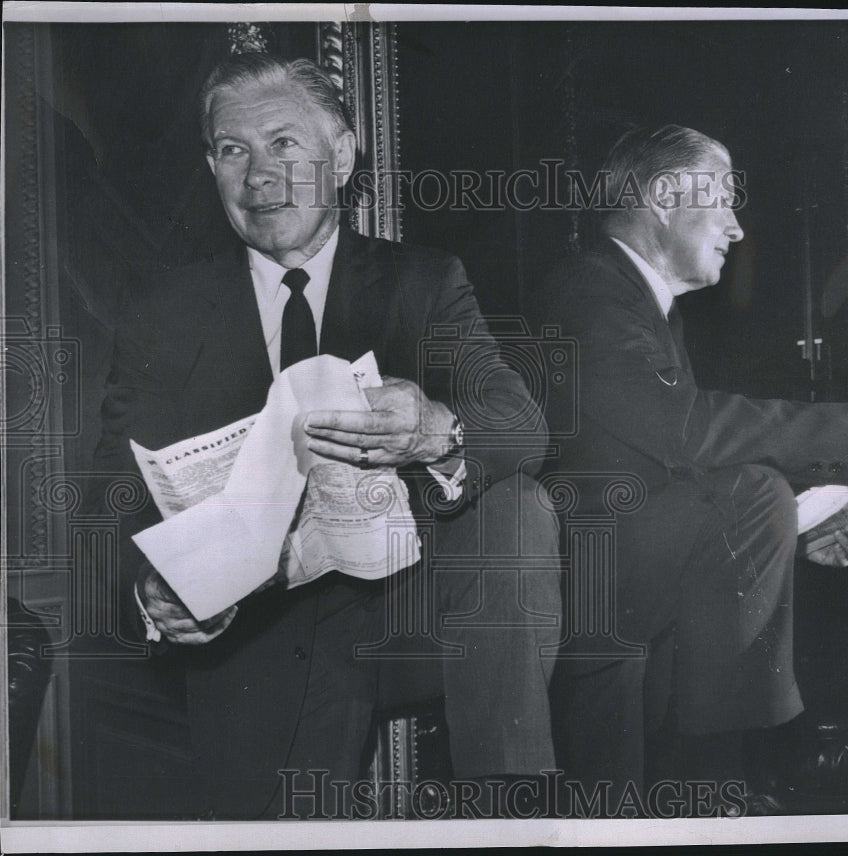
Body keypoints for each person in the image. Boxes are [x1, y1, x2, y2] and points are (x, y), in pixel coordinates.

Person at [93, 53, 560, 819]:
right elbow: (107, 496)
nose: (258, 177)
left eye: (283, 144)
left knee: (518, 507)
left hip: (417, 614)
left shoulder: (423, 281)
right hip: (254, 636)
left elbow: (520, 426)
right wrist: (149, 595)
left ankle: (506, 813)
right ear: (211, 166)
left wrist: (435, 431)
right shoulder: (163, 315)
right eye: (233, 151)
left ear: (340, 156)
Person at [534, 123, 848, 813]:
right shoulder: (591, 292)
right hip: (595, 600)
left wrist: (825, 512)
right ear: (667, 196)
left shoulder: (636, 303)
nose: (735, 227)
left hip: (629, 601)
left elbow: (681, 465)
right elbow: (691, 434)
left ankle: (721, 776)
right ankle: (729, 766)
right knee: (757, 490)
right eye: (724, 200)